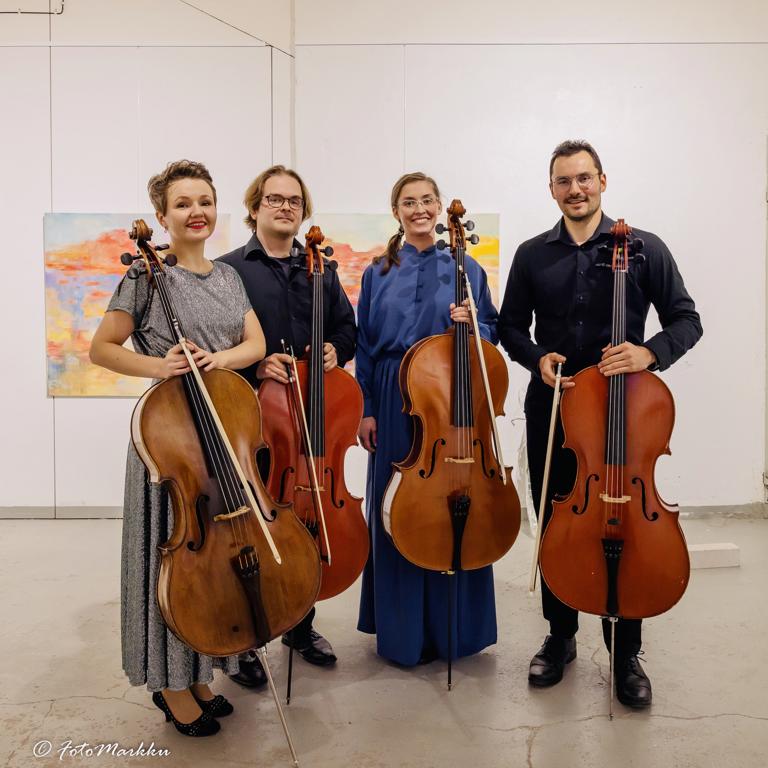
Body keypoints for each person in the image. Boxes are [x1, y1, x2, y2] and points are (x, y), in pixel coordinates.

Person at [498, 139, 703, 707]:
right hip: (555, 407)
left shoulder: (644, 248)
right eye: (564, 181)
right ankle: (560, 635)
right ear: (551, 189)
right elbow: (510, 326)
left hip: (622, 413)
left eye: (584, 178)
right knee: (557, 519)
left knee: (627, 523)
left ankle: (625, 649)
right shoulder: (532, 254)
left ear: (602, 181)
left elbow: (687, 320)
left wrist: (649, 353)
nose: (576, 189)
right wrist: (535, 358)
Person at [89, 160, 266, 735]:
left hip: (222, 436)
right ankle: (168, 683)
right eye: (183, 203)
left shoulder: (228, 276)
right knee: (172, 560)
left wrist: (220, 359)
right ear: (162, 217)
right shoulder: (146, 276)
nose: (197, 212)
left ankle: (196, 673)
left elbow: (255, 342)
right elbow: (102, 348)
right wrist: (159, 366)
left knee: (212, 562)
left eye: (205, 201)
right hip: (171, 442)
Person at [219, 165, 356, 686]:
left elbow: (348, 328)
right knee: (249, 530)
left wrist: (335, 348)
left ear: (304, 211)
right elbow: (217, 346)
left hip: (311, 421)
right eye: (274, 199)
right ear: (255, 207)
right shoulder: (229, 271)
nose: (284, 207)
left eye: (294, 201)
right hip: (254, 422)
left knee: (305, 520)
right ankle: (246, 641)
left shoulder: (320, 269)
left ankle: (301, 626)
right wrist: (256, 365)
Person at [356, 171, 499, 666]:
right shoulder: (376, 272)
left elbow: (492, 335)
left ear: (439, 208)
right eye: (409, 202)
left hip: (447, 399)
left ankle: (455, 632)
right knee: (397, 508)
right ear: (396, 212)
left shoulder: (467, 267)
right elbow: (365, 345)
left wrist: (474, 327)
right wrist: (367, 409)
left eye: (426, 200)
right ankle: (403, 634)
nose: (419, 209)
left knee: (451, 504)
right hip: (392, 397)